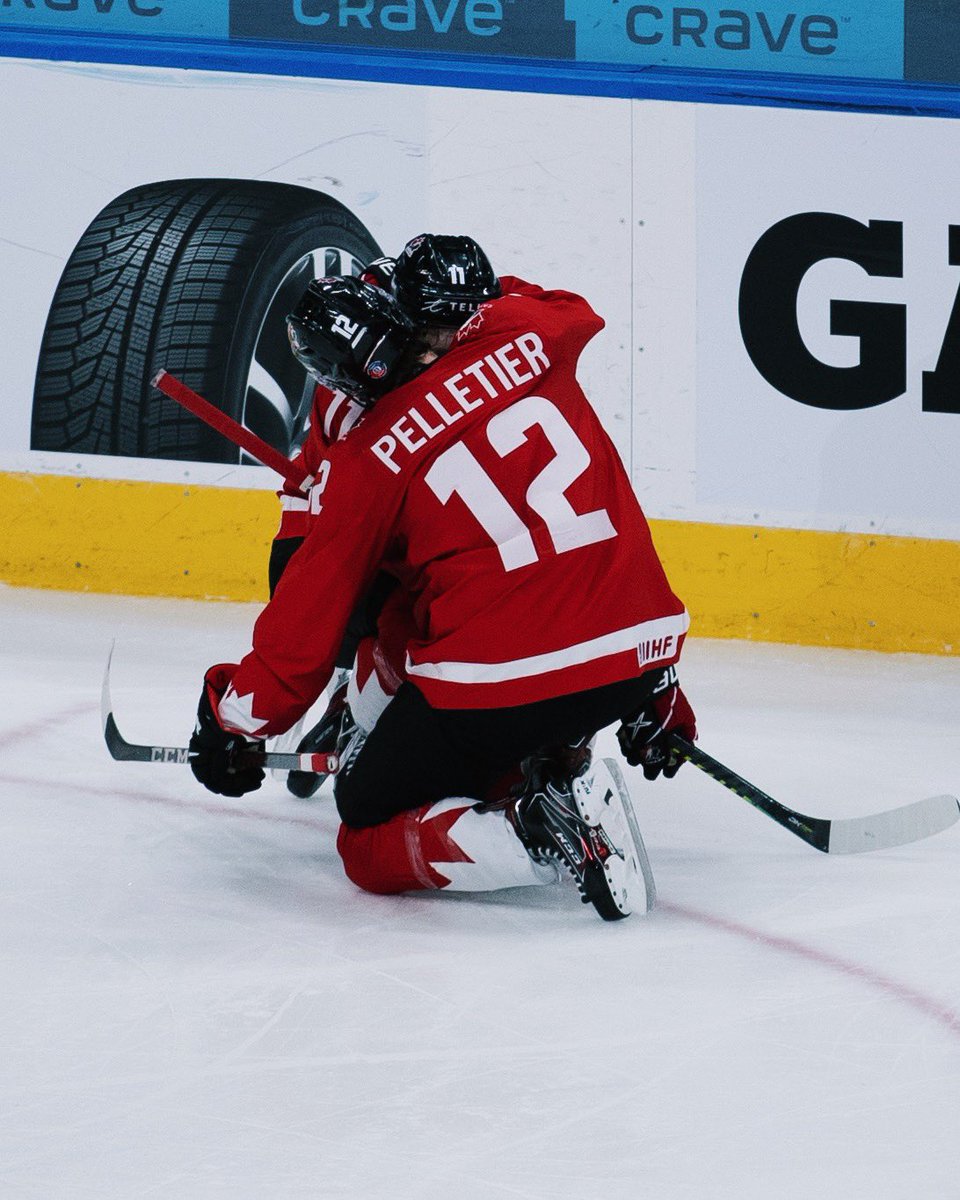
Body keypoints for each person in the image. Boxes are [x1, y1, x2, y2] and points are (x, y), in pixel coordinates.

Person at [187, 267, 697, 921]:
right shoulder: (531, 333)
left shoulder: (366, 462)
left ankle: (531, 828)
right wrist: (660, 692)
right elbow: (565, 305)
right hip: (642, 650)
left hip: (507, 686)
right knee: (434, 612)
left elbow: (303, 630)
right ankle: (566, 751)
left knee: (364, 823)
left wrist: (231, 721)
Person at [272, 235, 504, 798]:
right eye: (434, 332)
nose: (452, 345)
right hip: (327, 532)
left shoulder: (465, 327)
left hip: (399, 519)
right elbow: (348, 525)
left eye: (465, 325)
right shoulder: (365, 366)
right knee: (410, 626)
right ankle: (359, 700)